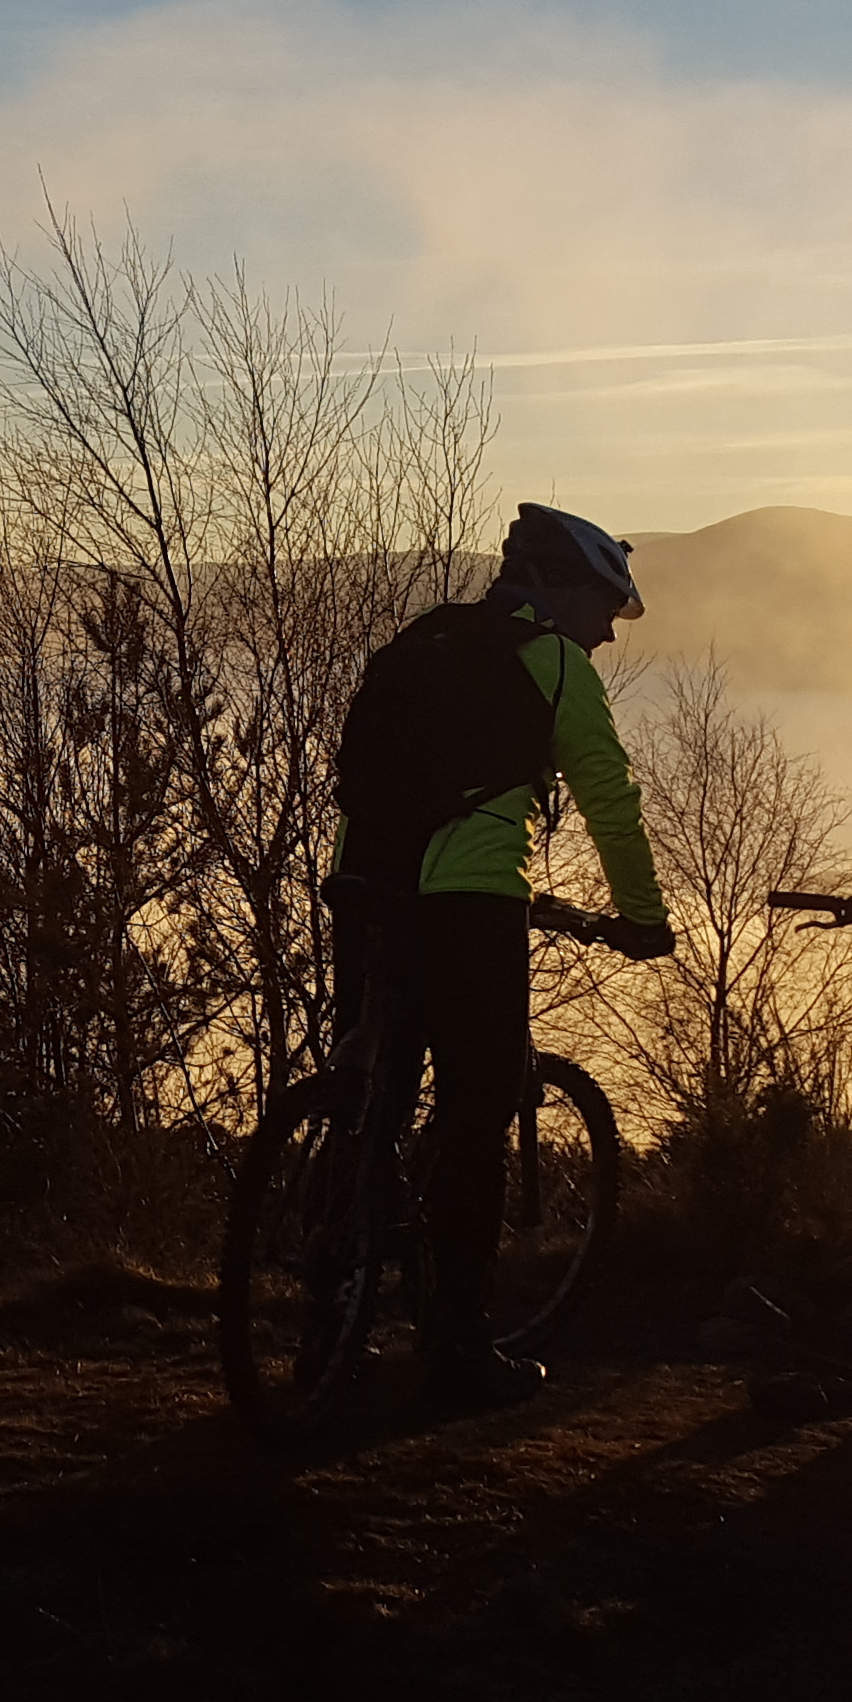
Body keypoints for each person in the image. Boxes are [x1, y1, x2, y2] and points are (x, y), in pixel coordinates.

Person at [328, 501, 679, 1407]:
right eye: (604, 606)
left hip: (365, 890)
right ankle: (459, 1347)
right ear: (557, 590)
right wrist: (642, 917)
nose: (607, 631)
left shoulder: (429, 639)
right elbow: (611, 799)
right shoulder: (552, 662)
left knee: (374, 1100)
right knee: (476, 1119)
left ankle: (327, 1322)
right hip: (470, 909)